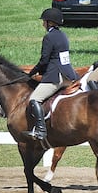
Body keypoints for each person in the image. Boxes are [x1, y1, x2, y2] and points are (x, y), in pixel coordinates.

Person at [25, 8, 79, 141]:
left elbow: (44, 60)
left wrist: (32, 72)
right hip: (69, 76)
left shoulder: (48, 37)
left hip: (56, 76)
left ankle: (41, 131)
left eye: (44, 21)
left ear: (49, 22)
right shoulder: (63, 35)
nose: (43, 24)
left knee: (34, 99)